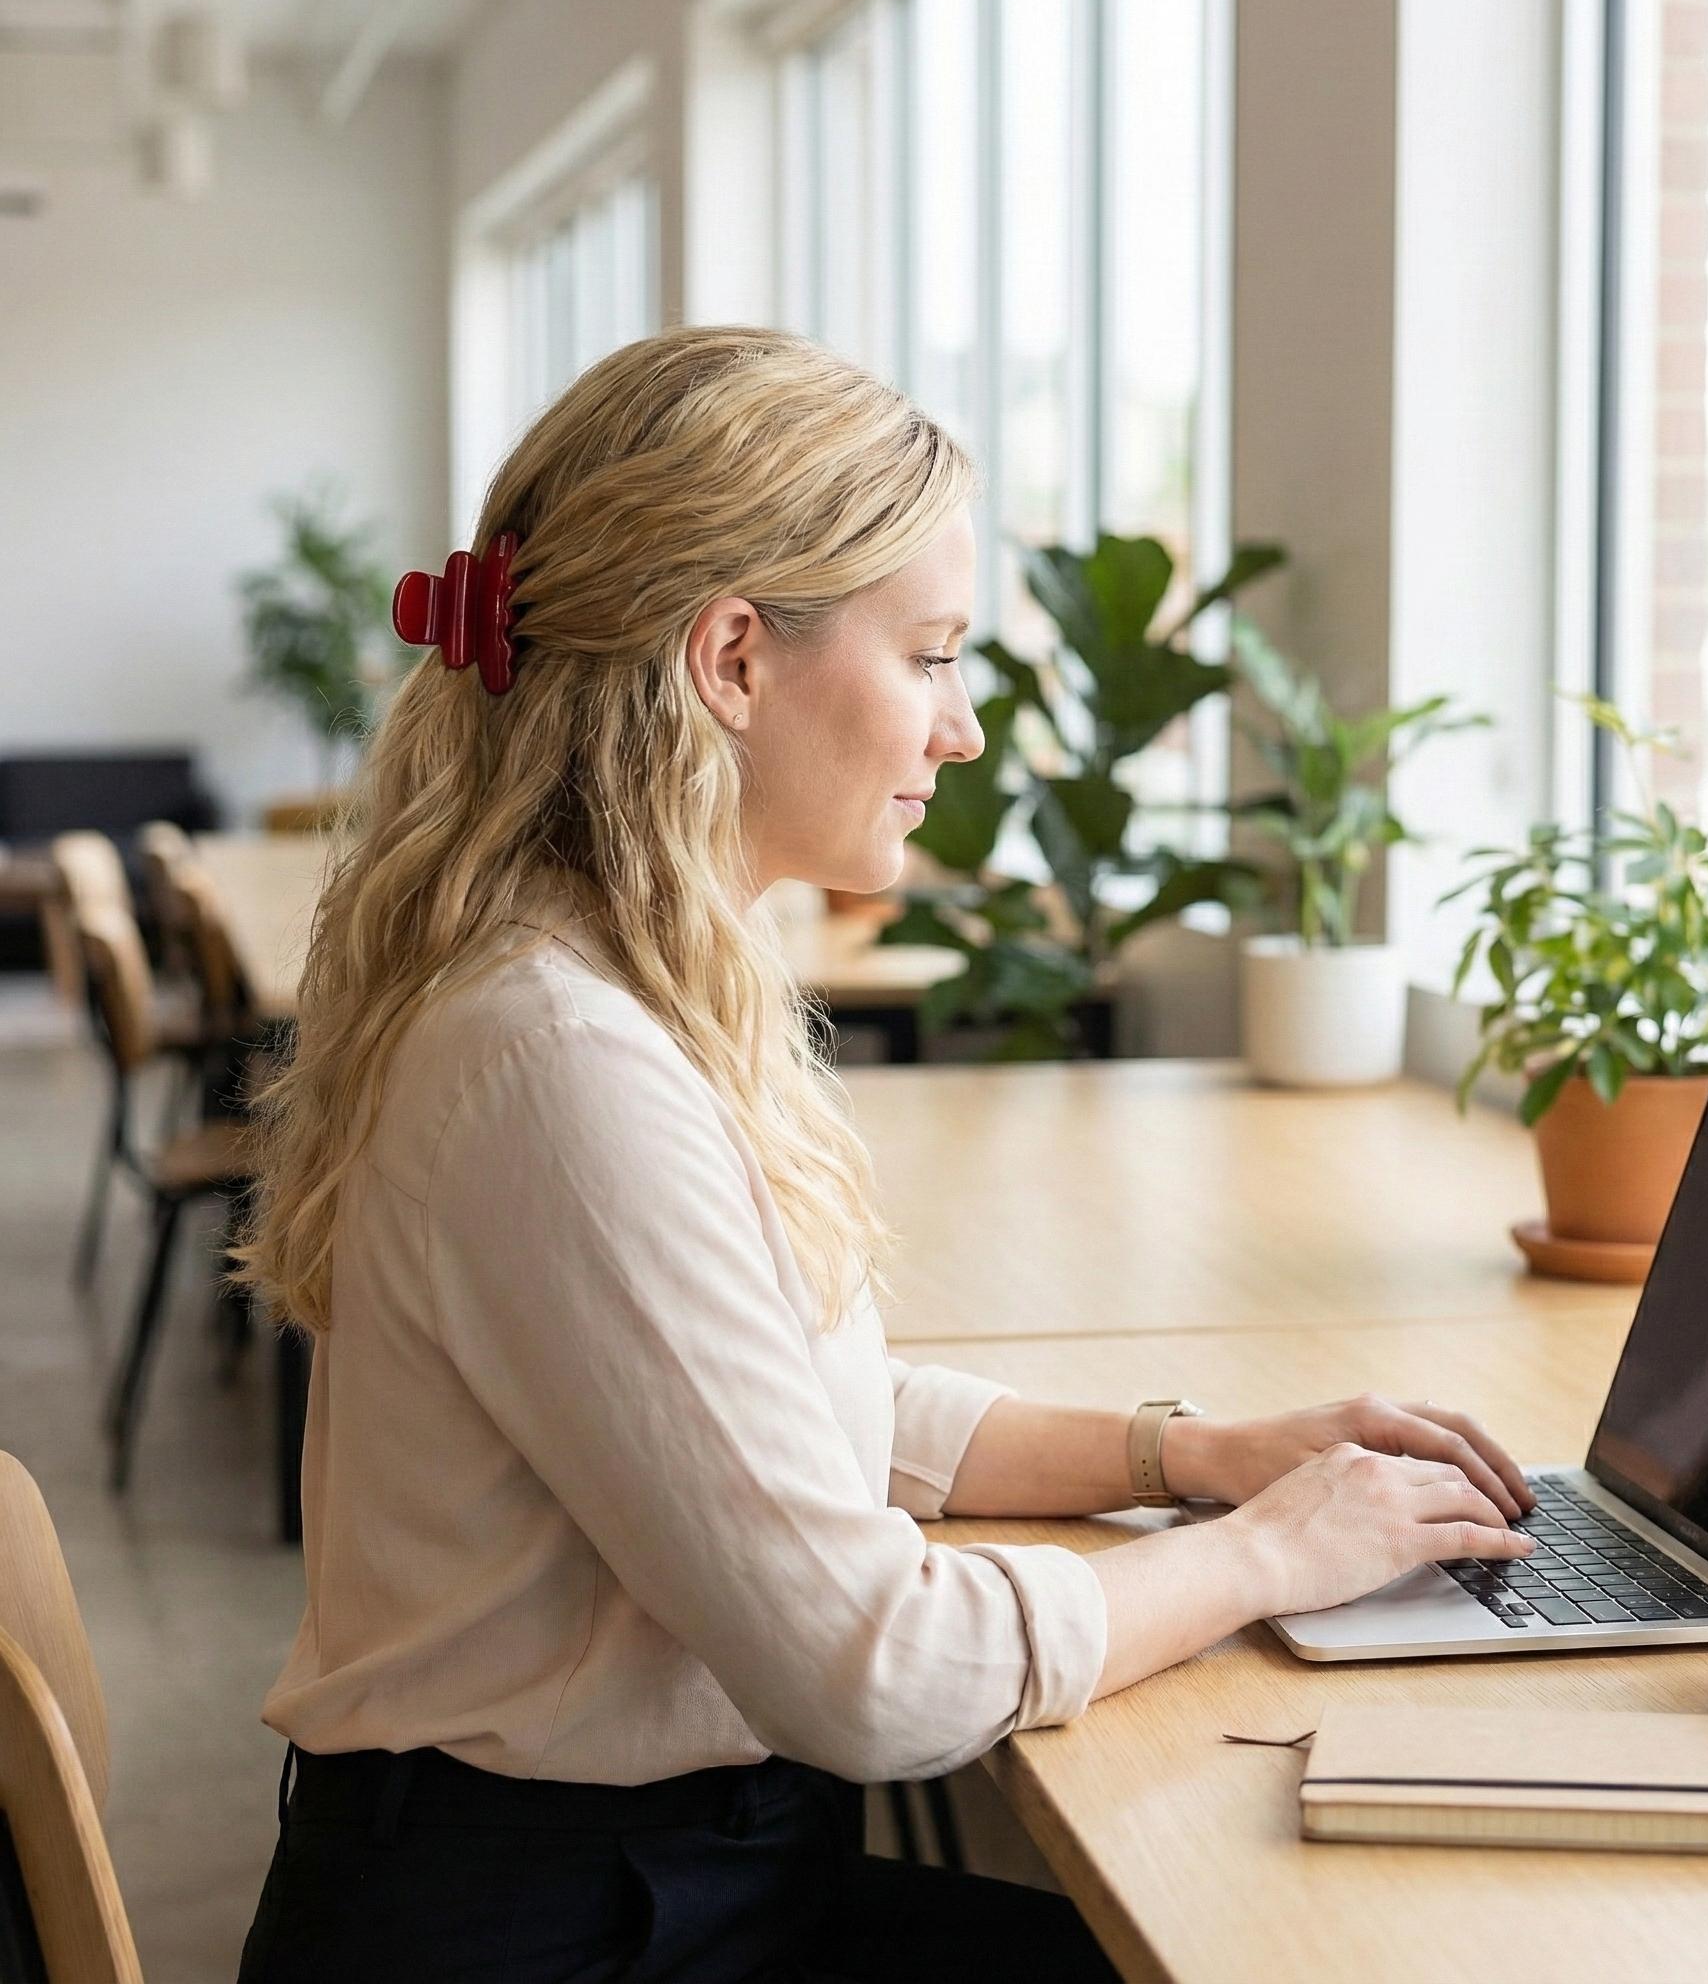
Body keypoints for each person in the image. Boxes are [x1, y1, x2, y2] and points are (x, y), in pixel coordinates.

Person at [231, 325, 1538, 1983]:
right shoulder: (562, 1058)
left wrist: (1189, 1455)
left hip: (630, 1881)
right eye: (930, 657)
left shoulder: (623, 975)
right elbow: (877, 1672)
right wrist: (1274, 1555)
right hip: (556, 1931)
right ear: (730, 659)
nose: (965, 729)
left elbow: (770, 1412)